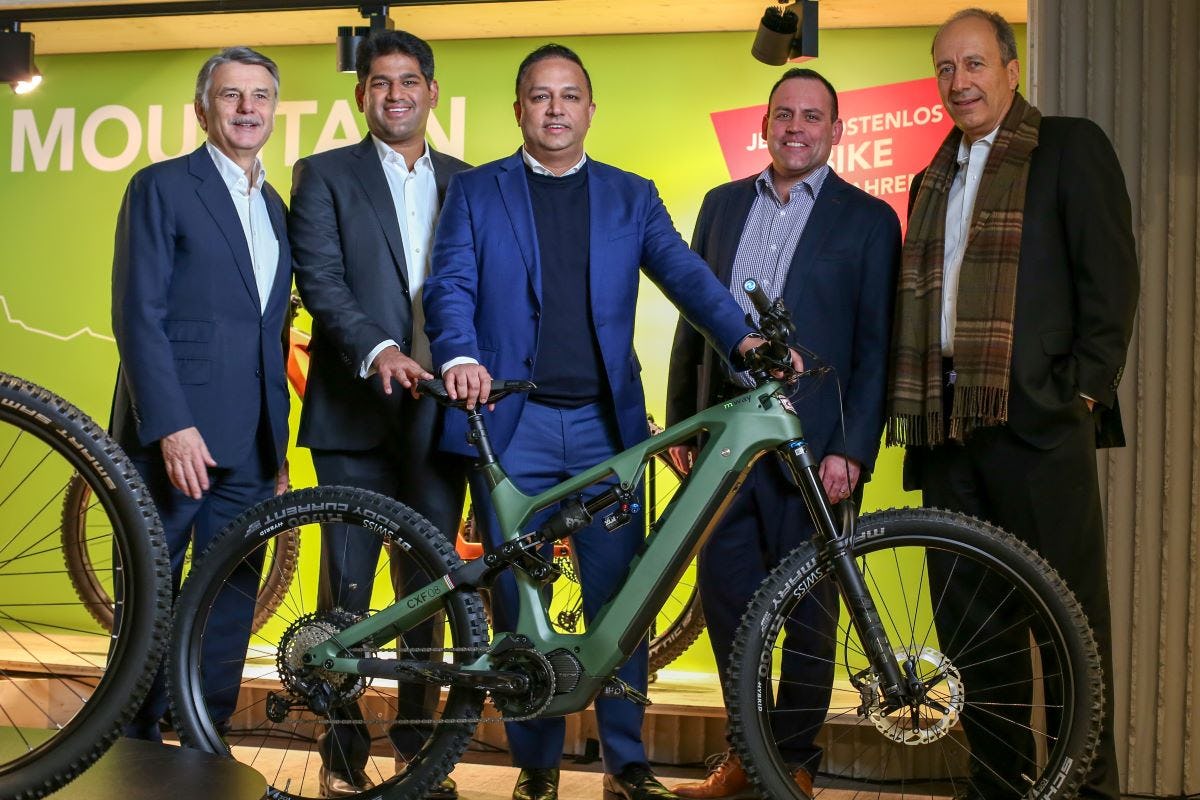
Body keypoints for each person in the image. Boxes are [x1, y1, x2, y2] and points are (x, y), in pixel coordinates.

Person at [424, 43, 776, 800]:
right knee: (521, 603)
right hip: (512, 427)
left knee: (625, 598)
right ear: (517, 109)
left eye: (569, 96)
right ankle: (537, 766)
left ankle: (627, 760)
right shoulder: (478, 193)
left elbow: (685, 275)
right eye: (540, 96)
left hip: (604, 429)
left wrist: (742, 336)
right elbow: (448, 283)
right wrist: (457, 352)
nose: (555, 109)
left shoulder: (631, 195)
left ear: (590, 109)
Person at [886, 9, 1138, 799]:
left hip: (1037, 426)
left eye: (974, 64)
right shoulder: (934, 174)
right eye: (945, 69)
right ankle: (996, 787)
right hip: (948, 428)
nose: (958, 82)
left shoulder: (1068, 146)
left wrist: (1081, 393)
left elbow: (1111, 283)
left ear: (1011, 68)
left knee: (1069, 630)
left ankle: (1087, 790)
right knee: (975, 636)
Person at [665, 68, 901, 799]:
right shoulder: (721, 205)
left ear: (836, 131)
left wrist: (852, 447)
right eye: (783, 114)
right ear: (764, 126)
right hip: (727, 441)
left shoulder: (867, 220)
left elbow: (874, 345)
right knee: (729, 603)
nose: (796, 126)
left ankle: (793, 760)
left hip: (815, 448)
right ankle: (744, 753)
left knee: (807, 614)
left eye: (812, 116)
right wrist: (683, 420)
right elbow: (693, 323)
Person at [288, 29, 470, 800]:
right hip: (353, 408)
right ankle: (341, 749)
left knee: (430, 588)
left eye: (408, 81)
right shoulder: (323, 174)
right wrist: (382, 348)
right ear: (362, 95)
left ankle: (420, 756)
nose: (395, 94)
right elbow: (322, 283)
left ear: (431, 91)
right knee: (346, 591)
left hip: (439, 416)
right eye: (380, 82)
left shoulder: (471, 181)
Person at [110, 46, 291, 742]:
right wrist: (172, 425)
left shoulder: (275, 206)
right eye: (231, 96)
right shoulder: (161, 187)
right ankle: (132, 739)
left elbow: (269, 332)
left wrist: (275, 448)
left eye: (259, 96)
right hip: (176, 437)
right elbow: (138, 314)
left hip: (250, 444)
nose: (247, 109)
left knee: (230, 594)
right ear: (202, 109)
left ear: (273, 109)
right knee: (154, 592)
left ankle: (205, 735)